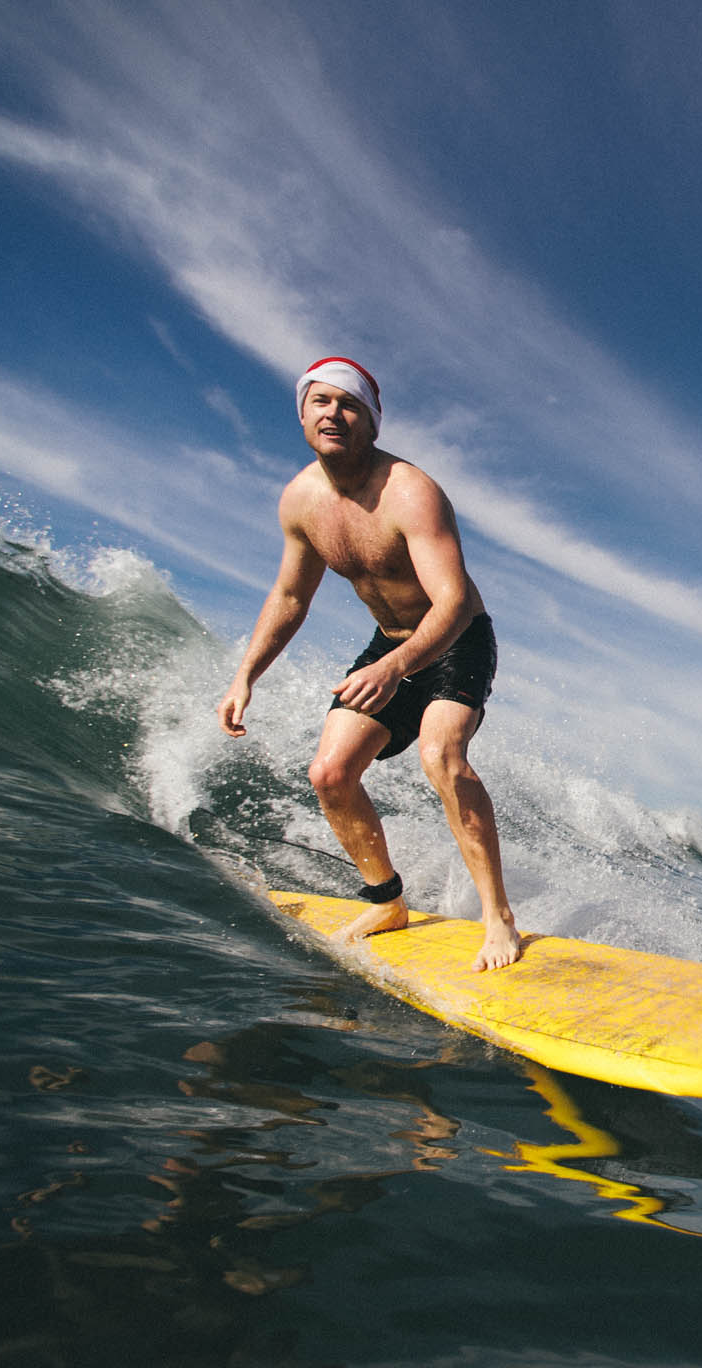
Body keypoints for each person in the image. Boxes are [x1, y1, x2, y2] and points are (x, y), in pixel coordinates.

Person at [216, 357, 521, 971]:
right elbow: (291, 597)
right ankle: (387, 901)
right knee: (330, 773)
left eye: (349, 404)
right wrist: (246, 674)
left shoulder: (411, 492)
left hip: (456, 636)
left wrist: (398, 667)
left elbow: (455, 600)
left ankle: (498, 917)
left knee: (442, 754)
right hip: (390, 643)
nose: (334, 413)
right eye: (321, 402)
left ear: (373, 422)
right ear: (303, 414)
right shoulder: (301, 501)